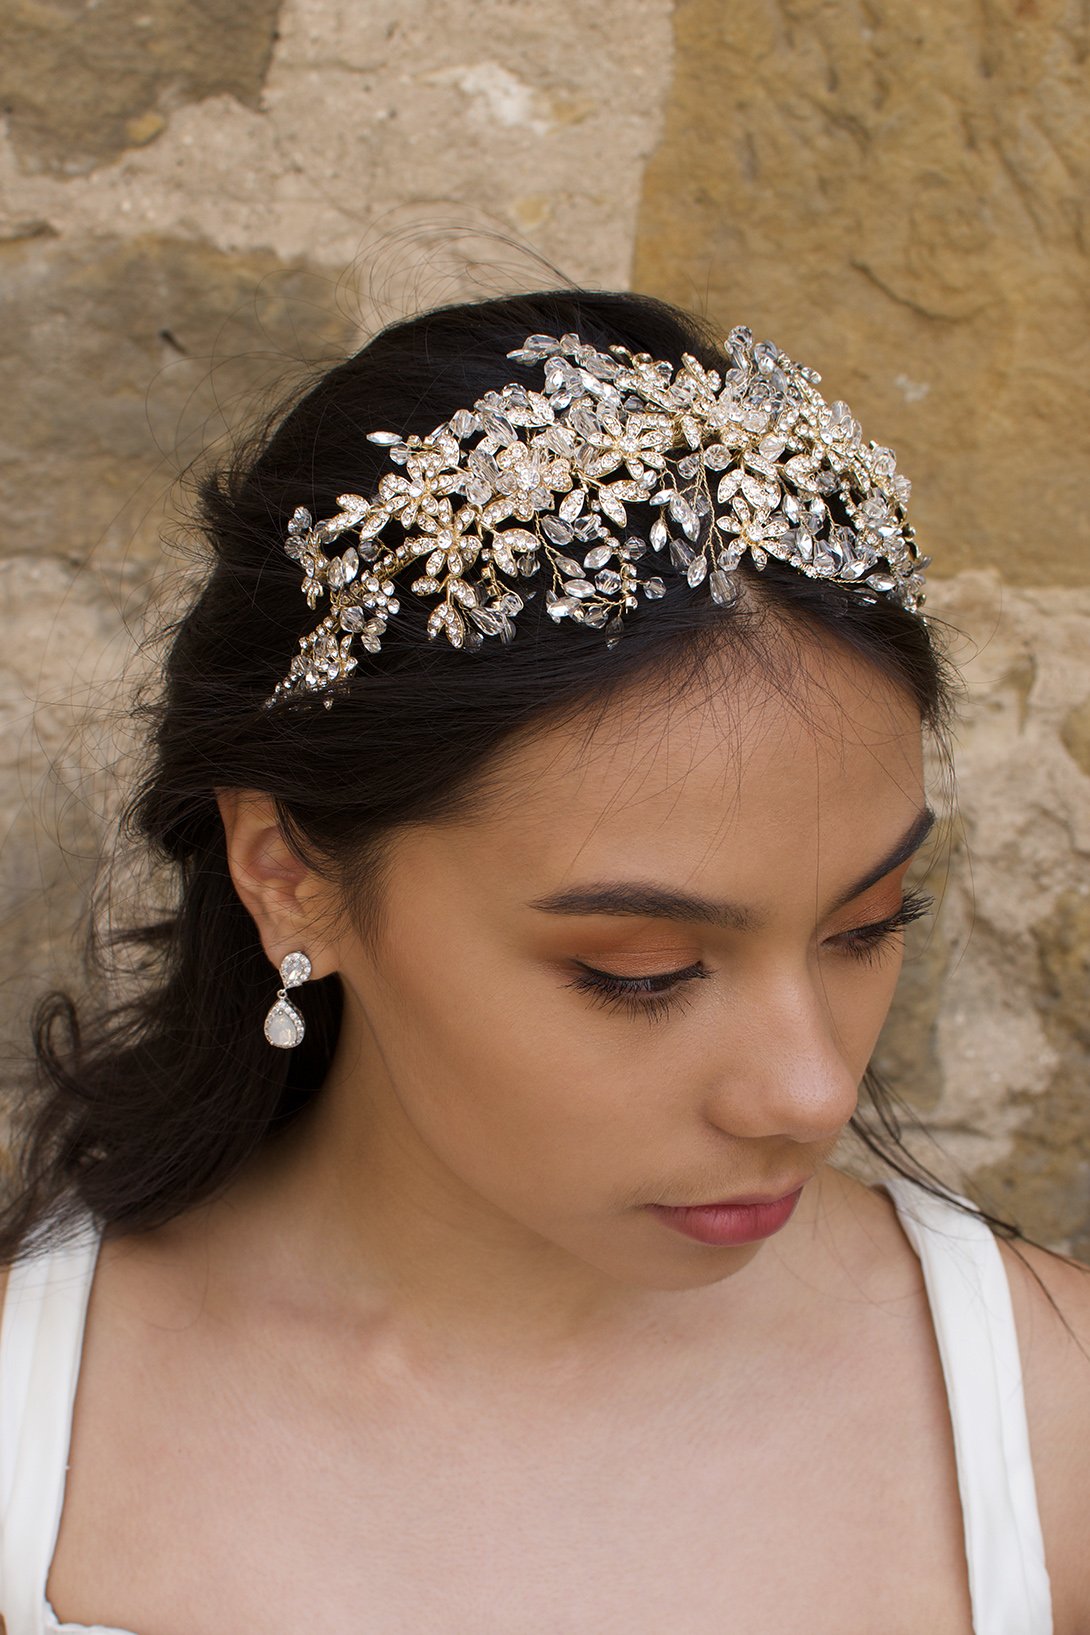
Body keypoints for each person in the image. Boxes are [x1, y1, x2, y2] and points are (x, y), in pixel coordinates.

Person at [0, 290, 1086, 1635]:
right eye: (637, 971)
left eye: (865, 927)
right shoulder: (30, 1436)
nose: (807, 1096)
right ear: (288, 874)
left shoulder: (1052, 1424)